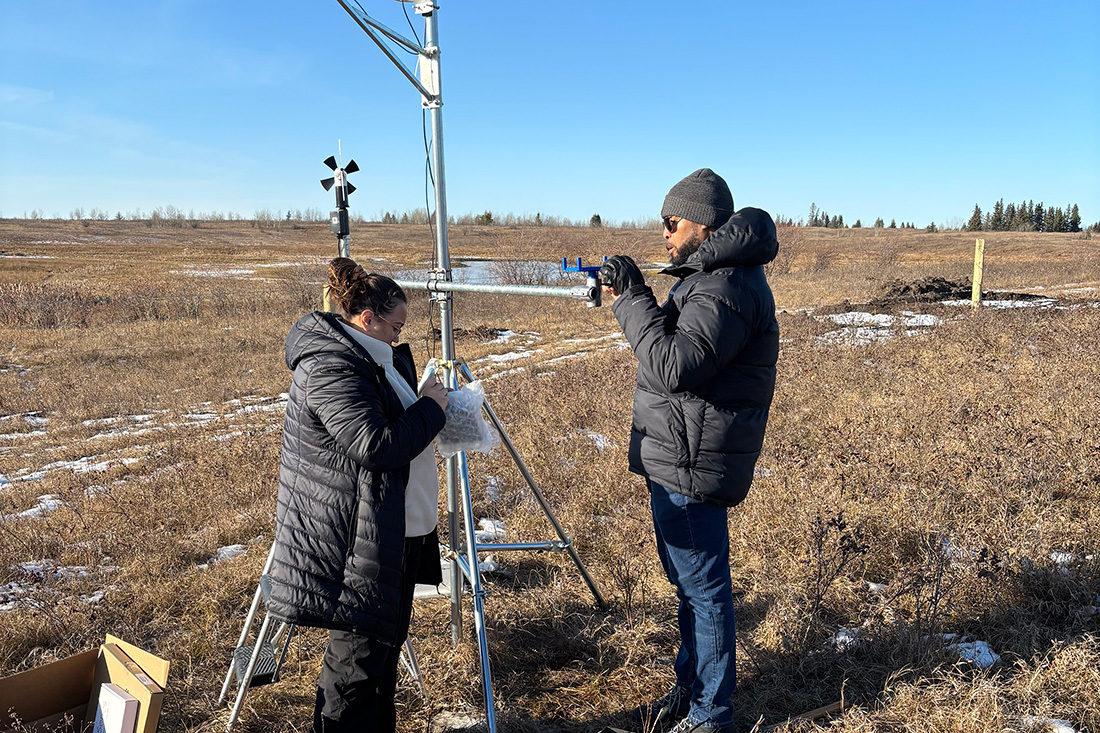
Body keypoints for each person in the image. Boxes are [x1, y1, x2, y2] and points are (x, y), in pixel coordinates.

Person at [599, 169, 779, 733]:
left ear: (702, 223)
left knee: (704, 592)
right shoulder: (710, 278)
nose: (664, 234)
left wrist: (631, 301)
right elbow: (679, 352)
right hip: (680, 451)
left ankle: (710, 716)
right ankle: (691, 696)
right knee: (690, 587)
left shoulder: (725, 287)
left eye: (671, 223)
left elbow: (674, 366)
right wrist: (641, 298)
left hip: (693, 462)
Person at [265, 257, 450, 733]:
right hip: (355, 545)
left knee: (379, 663)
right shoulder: (332, 365)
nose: (398, 335)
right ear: (367, 320)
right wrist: (430, 409)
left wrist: (422, 402)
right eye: (395, 326)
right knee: (355, 671)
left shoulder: (371, 358)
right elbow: (374, 444)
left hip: (388, 535)